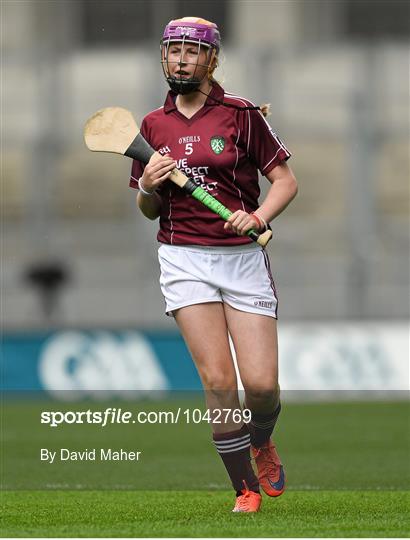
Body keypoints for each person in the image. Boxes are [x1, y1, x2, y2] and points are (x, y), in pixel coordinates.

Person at [129, 16, 298, 513]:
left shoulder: (242, 115)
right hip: (184, 260)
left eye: (191, 52)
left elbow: (285, 181)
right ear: (164, 57)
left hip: (242, 261)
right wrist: (146, 186)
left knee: (262, 387)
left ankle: (261, 440)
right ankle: (244, 488)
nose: (180, 60)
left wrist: (258, 215)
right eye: (173, 51)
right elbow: (148, 210)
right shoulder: (152, 126)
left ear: (211, 59)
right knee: (220, 383)